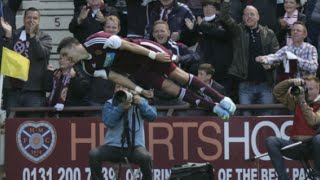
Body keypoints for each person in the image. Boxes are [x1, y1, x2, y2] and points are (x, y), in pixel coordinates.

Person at [57, 32, 236, 120]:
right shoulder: (87, 68)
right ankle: (213, 107)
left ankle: (221, 98)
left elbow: (129, 46)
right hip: (136, 70)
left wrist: (153, 55)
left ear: (74, 46)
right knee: (170, 89)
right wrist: (139, 90)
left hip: (145, 51)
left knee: (180, 76)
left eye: (66, 54)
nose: (66, 59)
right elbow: (116, 78)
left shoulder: (96, 39)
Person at [220, 0, 279, 116]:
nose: (248, 17)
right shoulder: (238, 31)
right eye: (245, 14)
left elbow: (277, 55)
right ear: (242, 17)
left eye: (252, 14)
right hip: (245, 85)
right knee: (246, 119)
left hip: (265, 84)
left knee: (267, 119)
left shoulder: (269, 33)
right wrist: (226, 2)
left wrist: (270, 64)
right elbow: (224, 18)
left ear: (258, 17)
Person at [88, 84, 156, 180]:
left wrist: (141, 103)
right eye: (117, 87)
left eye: (123, 87)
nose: (120, 89)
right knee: (94, 154)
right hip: (113, 147)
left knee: (146, 157)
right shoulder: (110, 103)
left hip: (134, 147)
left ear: (130, 89)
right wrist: (121, 108)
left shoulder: (139, 100)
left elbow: (153, 117)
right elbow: (109, 122)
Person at [1, 7, 52, 117]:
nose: (31, 20)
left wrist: (33, 36)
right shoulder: (14, 34)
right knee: (13, 128)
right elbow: (6, 57)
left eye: (35, 18)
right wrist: (8, 35)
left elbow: (41, 54)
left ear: (39, 20)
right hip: (14, 91)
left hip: (35, 92)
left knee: (33, 126)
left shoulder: (45, 37)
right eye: (29, 17)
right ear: (24, 19)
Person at [265, 76, 320, 180]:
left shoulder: (301, 101)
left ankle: (317, 175)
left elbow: (313, 121)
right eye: (306, 89)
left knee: (319, 139)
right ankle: (283, 178)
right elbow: (277, 92)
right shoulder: (297, 101)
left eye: (311, 89)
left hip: (314, 148)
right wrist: (290, 82)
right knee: (271, 141)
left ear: (319, 89)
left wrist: (302, 102)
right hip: (296, 145)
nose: (308, 92)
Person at [46, 52, 90, 116]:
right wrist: (49, 73)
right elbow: (47, 88)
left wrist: (74, 78)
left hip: (71, 114)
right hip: (54, 113)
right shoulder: (55, 73)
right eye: (60, 59)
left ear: (72, 62)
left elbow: (81, 93)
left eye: (66, 59)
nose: (62, 61)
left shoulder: (78, 74)